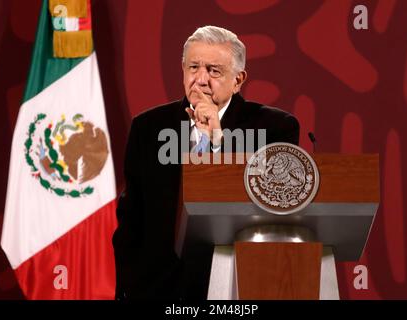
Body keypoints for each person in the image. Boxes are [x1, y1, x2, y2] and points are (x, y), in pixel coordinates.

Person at [113, 25, 300, 300]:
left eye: (213, 70)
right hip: (160, 289)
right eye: (193, 68)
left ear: (238, 80)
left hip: (239, 285)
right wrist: (127, 288)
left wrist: (216, 141)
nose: (200, 80)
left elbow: (273, 201)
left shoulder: (275, 127)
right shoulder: (148, 127)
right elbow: (131, 219)